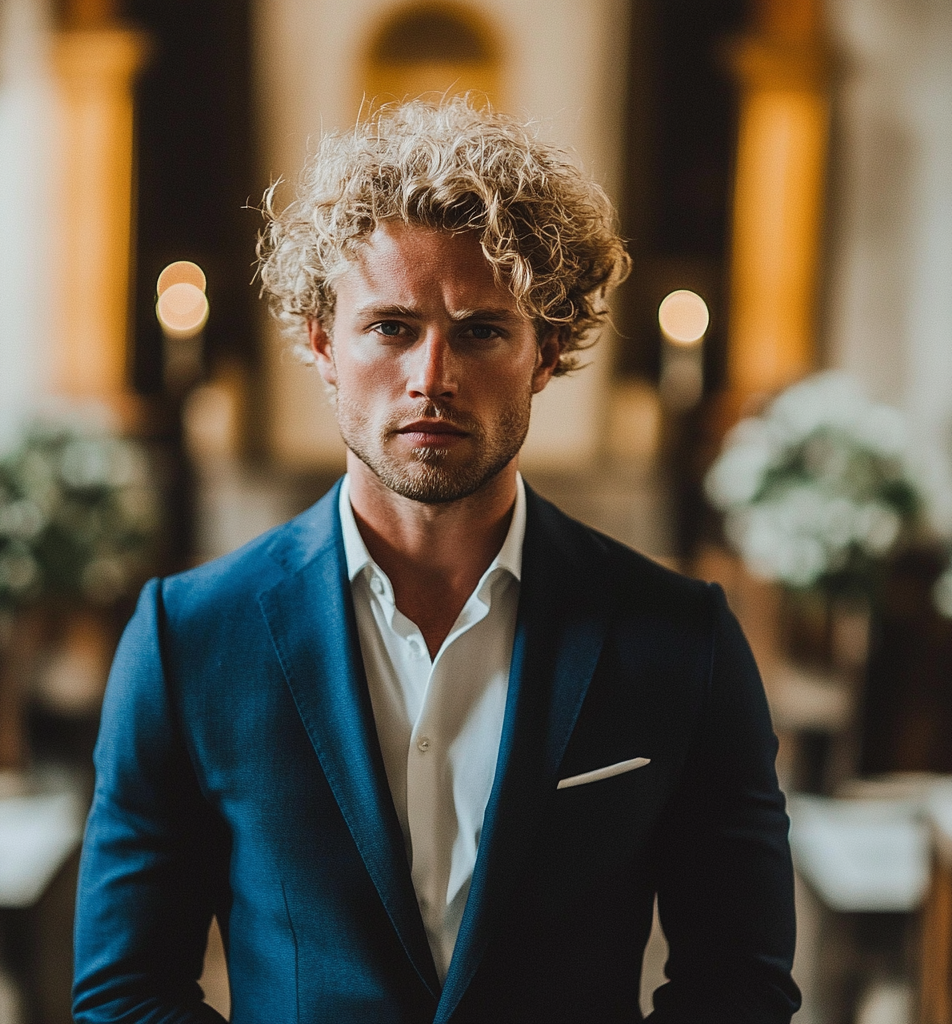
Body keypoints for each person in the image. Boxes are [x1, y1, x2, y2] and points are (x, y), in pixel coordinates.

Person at [73, 98, 800, 1023]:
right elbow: (125, 991)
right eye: (390, 326)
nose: (431, 377)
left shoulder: (681, 638)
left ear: (549, 353)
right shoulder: (187, 638)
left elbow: (738, 983)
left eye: (482, 329)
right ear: (320, 341)